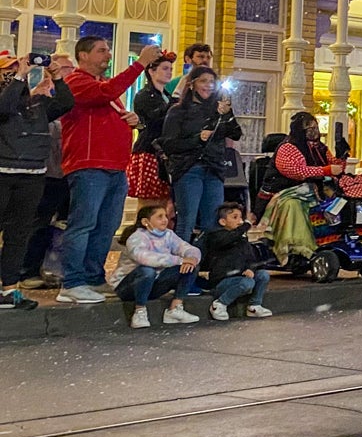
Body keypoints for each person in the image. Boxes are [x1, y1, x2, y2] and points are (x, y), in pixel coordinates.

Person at [58, 38, 165, 304]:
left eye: (108, 50)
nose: (107, 55)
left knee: (106, 226)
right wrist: (140, 63)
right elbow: (105, 92)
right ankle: (71, 282)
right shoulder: (76, 81)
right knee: (83, 224)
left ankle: (93, 278)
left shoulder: (101, 89)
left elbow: (106, 98)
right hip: (89, 164)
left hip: (114, 167)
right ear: (83, 55)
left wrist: (134, 120)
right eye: (101, 50)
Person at [0, 51, 74, 310]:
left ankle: (9, 289)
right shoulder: (6, 99)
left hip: (32, 175)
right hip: (3, 172)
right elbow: (4, 107)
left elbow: (65, 103)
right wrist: (20, 76)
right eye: (7, 70)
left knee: (18, 234)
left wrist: (57, 77)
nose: (12, 73)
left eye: (14, 68)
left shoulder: (36, 104)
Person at [162, 67, 243, 242]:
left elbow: (236, 133)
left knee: (212, 222)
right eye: (203, 81)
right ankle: (181, 265)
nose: (209, 86)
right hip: (189, 169)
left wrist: (228, 114)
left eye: (212, 82)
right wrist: (197, 138)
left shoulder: (219, 111)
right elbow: (169, 144)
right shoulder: (178, 111)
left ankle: (204, 261)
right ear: (192, 84)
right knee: (187, 220)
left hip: (214, 169)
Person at [111, 204, 200, 327]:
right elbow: (144, 257)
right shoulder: (137, 237)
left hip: (153, 285)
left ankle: (175, 309)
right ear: (146, 222)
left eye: (165, 216)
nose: (165, 220)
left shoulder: (169, 235)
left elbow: (186, 248)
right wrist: (179, 260)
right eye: (159, 217)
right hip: (128, 287)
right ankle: (139, 311)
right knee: (147, 271)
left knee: (191, 266)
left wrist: (192, 258)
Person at [274, 111, 362, 201]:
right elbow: (298, 171)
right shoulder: (288, 147)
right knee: (293, 205)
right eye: (310, 128)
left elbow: (335, 166)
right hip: (289, 188)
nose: (314, 131)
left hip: (321, 186)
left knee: (352, 195)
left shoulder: (320, 147)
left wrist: (341, 156)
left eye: (315, 127)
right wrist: (326, 170)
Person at [200, 202, 271, 320]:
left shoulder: (241, 238)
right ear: (223, 222)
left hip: (239, 277)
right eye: (235, 217)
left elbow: (251, 257)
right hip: (222, 282)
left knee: (263, 275)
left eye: (241, 217)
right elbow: (230, 238)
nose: (240, 221)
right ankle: (219, 304)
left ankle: (254, 305)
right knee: (247, 283)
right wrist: (246, 225)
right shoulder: (215, 236)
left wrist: (250, 268)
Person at [18, 121, 68, 289]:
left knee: (64, 225)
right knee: (39, 223)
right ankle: (27, 270)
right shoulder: (43, 111)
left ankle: (55, 269)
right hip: (45, 174)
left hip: (71, 173)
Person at [128, 55, 176, 207]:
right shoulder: (144, 95)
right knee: (149, 203)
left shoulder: (165, 96)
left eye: (170, 69)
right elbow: (156, 119)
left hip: (165, 152)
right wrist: (176, 99)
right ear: (151, 71)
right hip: (150, 150)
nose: (169, 72)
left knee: (164, 201)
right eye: (165, 68)